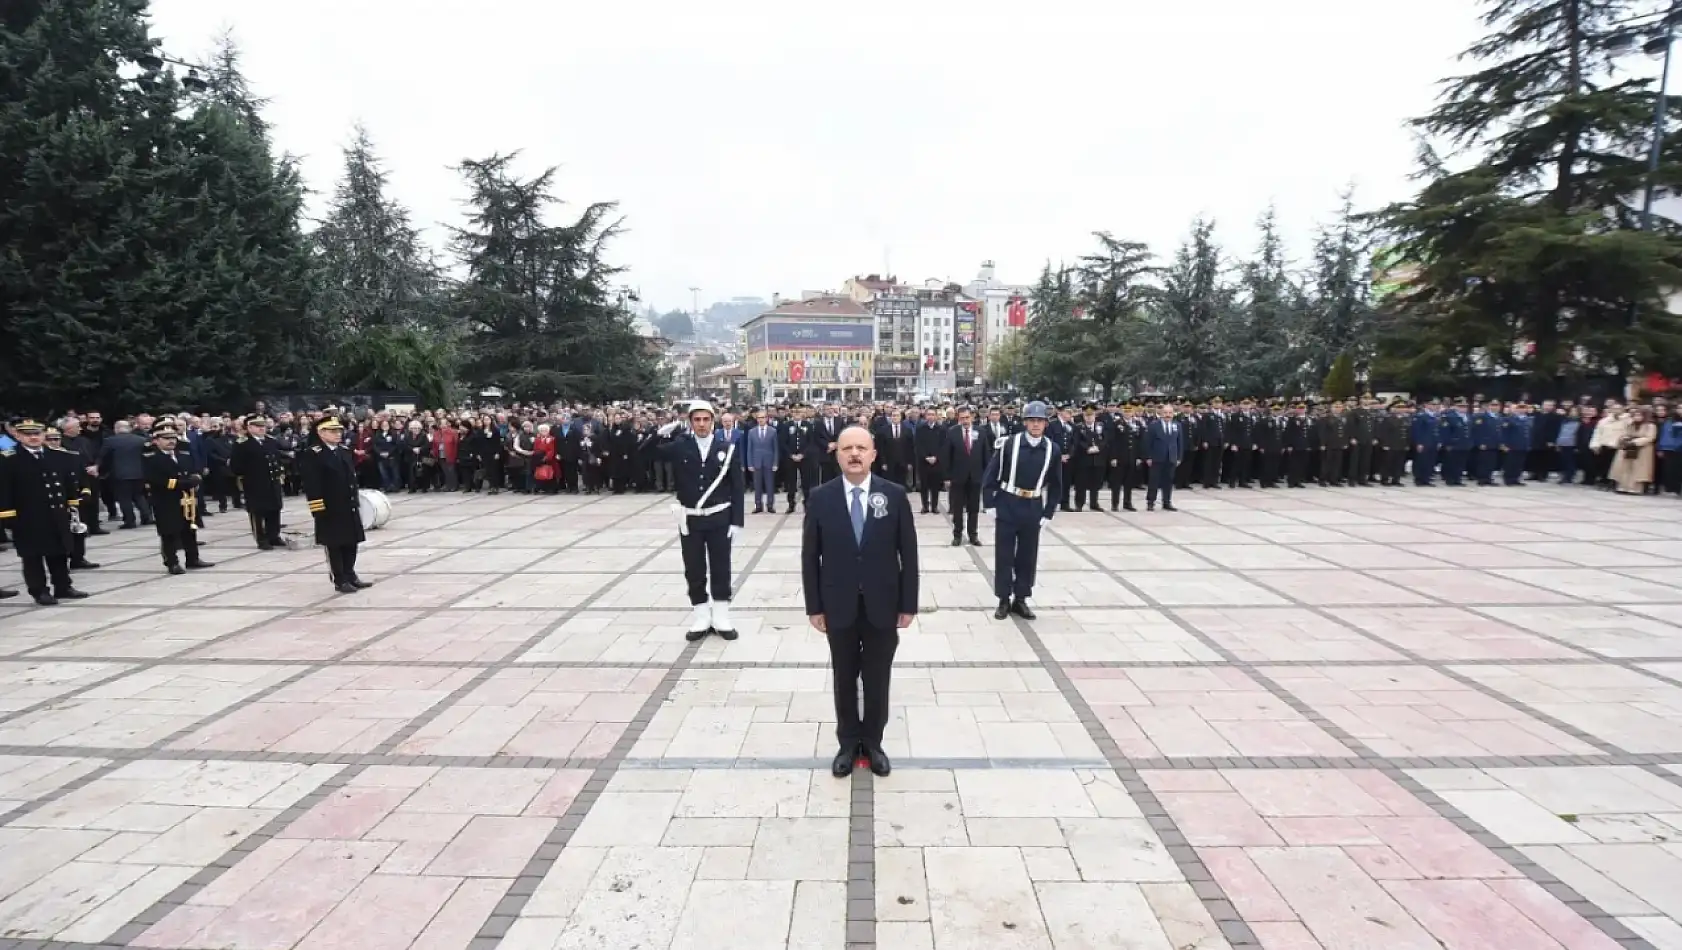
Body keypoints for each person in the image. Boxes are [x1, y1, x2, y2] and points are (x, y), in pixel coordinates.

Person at [801, 424, 919, 778]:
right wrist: (814, 606)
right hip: (839, 604)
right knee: (844, 676)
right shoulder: (821, 497)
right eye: (847, 448)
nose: (854, 454)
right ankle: (848, 742)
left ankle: (874, 741)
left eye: (861, 448)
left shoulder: (894, 495)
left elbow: (908, 554)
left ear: (873, 454)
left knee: (877, 677)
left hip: (883, 604)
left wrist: (908, 603)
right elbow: (810, 556)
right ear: (836, 454)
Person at [658, 400, 747, 641]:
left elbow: (737, 486)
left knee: (721, 567)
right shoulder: (680, 446)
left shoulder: (726, 447)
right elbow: (647, 453)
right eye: (696, 420)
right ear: (690, 422)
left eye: (705, 419)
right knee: (694, 569)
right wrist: (660, 433)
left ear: (712, 421)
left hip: (719, 517)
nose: (701, 424)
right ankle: (701, 615)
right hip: (691, 520)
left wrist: (737, 521)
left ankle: (721, 615)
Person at [980, 400, 1061, 621]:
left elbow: (1056, 484)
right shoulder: (1009, 444)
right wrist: (989, 504)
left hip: (1033, 505)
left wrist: (1048, 513)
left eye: (1040, 421)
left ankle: (1021, 598)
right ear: (1025, 422)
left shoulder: (1052, 449)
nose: (1036, 425)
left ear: (1046, 423)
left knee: (1028, 556)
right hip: (1008, 502)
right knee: (1004, 554)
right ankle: (1003, 599)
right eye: (1032, 420)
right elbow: (991, 474)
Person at [0, 419, 91, 606]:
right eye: (27, 434)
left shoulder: (56, 455)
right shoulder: (9, 458)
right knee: (33, 557)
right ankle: (39, 591)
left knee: (59, 552)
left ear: (43, 435)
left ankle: (63, 586)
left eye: (37, 434)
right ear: (17, 436)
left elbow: (67, 482)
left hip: (57, 513)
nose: (33, 437)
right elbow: (4, 489)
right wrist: (8, 516)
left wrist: (72, 505)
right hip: (28, 516)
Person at [300, 417, 371, 594]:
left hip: (348, 505)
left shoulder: (344, 451)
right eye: (332, 431)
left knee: (351, 542)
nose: (338, 434)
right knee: (334, 544)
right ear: (321, 433)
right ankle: (339, 579)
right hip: (330, 507)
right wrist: (318, 509)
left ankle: (350, 573)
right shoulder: (313, 454)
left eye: (339, 431)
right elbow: (312, 484)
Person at [141, 425, 215, 575]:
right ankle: (172, 562)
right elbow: (157, 480)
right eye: (166, 438)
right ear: (156, 441)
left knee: (189, 529)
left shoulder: (183, 455)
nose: (171, 441)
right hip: (166, 499)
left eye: (173, 438)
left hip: (186, 499)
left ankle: (193, 558)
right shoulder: (152, 459)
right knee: (169, 531)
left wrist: (195, 478)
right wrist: (184, 483)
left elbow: (192, 471)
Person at [231, 416, 287, 549]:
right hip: (255, 483)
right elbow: (236, 466)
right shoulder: (242, 443)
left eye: (263, 425)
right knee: (258, 511)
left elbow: (276, 459)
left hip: (272, 481)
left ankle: (274, 535)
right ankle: (261, 539)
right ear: (249, 428)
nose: (262, 428)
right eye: (257, 426)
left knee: (275, 509)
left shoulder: (270, 441)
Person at [942, 406, 989, 546]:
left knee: (973, 508)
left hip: (975, 476)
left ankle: (973, 535)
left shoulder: (981, 432)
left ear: (972, 417)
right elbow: (946, 455)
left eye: (967, 417)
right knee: (957, 509)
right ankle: (957, 535)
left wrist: (987, 476)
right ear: (958, 418)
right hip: (958, 477)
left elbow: (986, 454)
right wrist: (947, 477)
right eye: (962, 418)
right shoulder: (952, 432)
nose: (965, 421)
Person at [1144, 401, 1183, 511]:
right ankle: (1150, 502)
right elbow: (1147, 442)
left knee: (1168, 481)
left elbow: (1180, 442)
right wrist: (1148, 457)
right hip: (1157, 458)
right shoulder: (1154, 426)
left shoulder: (1177, 425)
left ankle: (1167, 502)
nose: (1168, 415)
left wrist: (1179, 457)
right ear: (1161, 413)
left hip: (1171, 457)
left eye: (1170, 412)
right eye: (1165, 412)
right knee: (1154, 481)